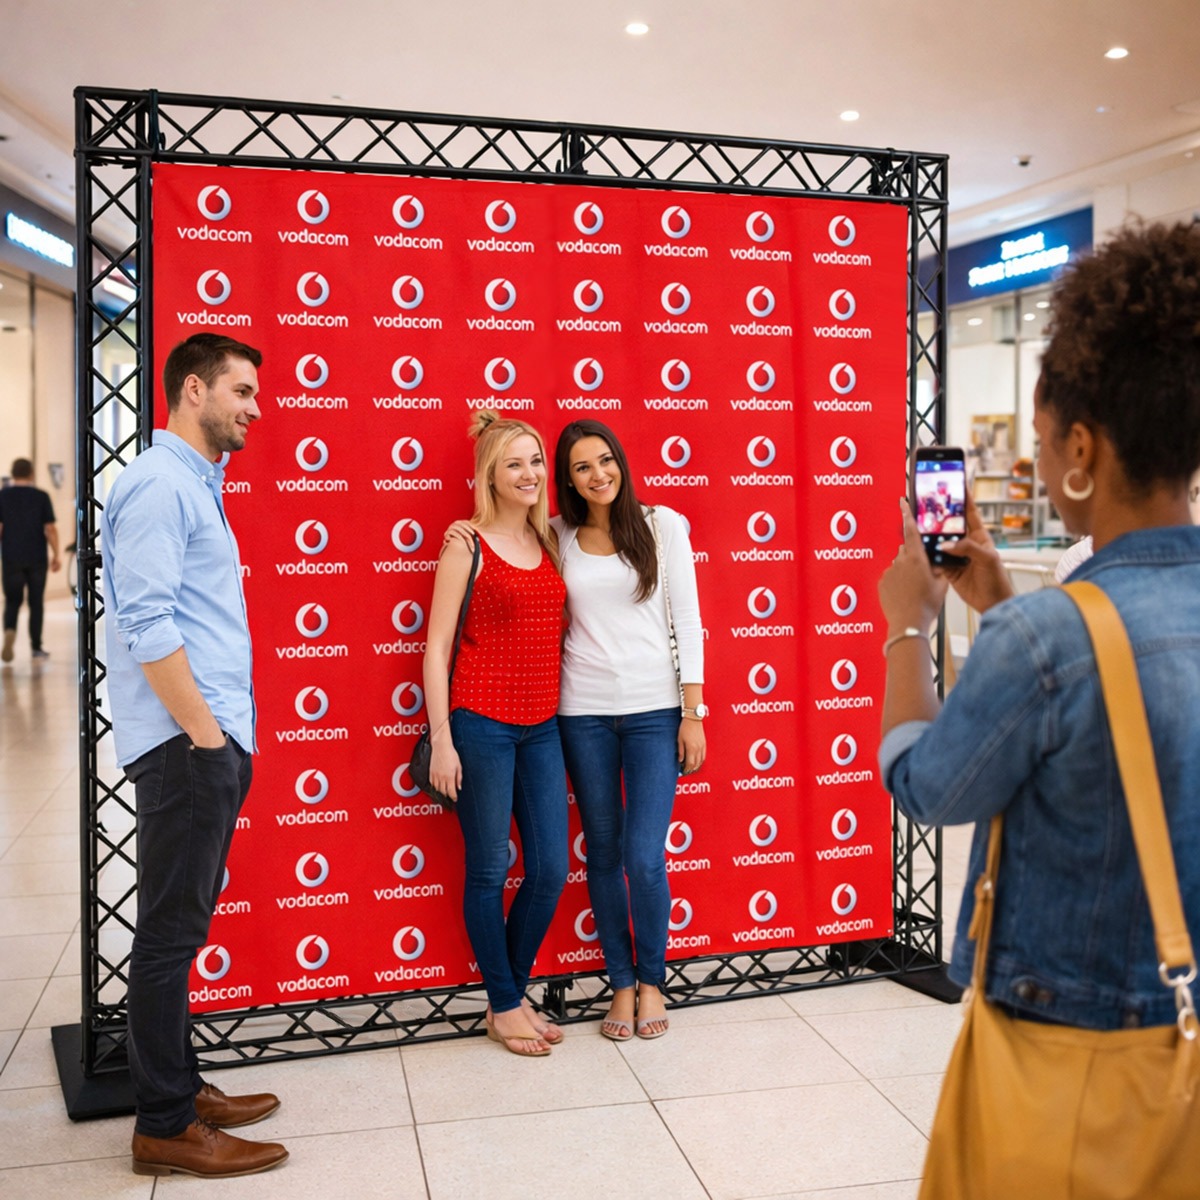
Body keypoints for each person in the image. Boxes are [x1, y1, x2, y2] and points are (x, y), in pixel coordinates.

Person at [877, 222, 1200, 1046]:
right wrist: (999, 606)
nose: (1044, 465)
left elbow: (929, 787)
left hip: (1079, 1036)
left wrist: (908, 627)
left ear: (1081, 447)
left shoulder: (1050, 635)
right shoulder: (1045, 627)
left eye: (1044, 442)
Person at [102, 333, 287, 1178]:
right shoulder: (158, 484)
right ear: (192, 391)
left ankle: (180, 1087)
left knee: (179, 927)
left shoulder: (192, 483)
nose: (255, 408)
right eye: (242, 392)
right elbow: (147, 623)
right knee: (170, 936)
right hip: (187, 742)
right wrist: (206, 739)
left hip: (203, 737)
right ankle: (165, 1124)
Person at [422, 409, 569, 1057]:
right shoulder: (466, 545)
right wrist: (443, 740)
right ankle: (508, 1005)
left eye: (535, 460)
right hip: (480, 724)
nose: (530, 473)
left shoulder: (551, 540)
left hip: (543, 726)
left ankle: (506, 995)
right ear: (490, 475)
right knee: (487, 870)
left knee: (550, 870)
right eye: (514, 463)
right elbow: (436, 648)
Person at [553, 420, 705, 1041]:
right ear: (568, 480)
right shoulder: (557, 534)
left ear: (621, 461)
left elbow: (688, 619)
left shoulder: (662, 526)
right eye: (583, 467)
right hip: (581, 713)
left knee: (644, 857)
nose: (599, 474)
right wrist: (466, 531)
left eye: (606, 460)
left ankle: (652, 982)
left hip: (654, 712)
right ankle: (620, 983)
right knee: (603, 853)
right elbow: (503, 538)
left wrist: (693, 712)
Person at [0, 457, 61, 662]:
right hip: (36, 558)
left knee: (12, 601)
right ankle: (36, 647)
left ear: (13, 473)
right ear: (31, 473)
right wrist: (56, 554)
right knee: (36, 603)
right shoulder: (41, 496)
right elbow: (50, 528)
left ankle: (10, 630)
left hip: (11, 557)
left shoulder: (3, 496)